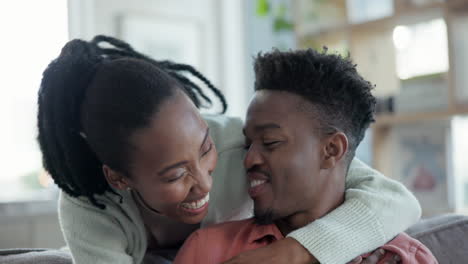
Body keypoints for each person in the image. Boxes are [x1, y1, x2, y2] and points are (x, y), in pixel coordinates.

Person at [37, 36, 421, 264]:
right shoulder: (90, 208)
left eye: (205, 150)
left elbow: (394, 198)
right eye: (174, 174)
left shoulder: (241, 142)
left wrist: (292, 253)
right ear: (119, 177)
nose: (204, 181)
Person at [174, 49, 437, 264]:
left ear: (332, 150)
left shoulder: (403, 258)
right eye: (248, 144)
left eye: (270, 142)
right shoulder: (207, 250)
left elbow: (398, 198)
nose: (249, 159)